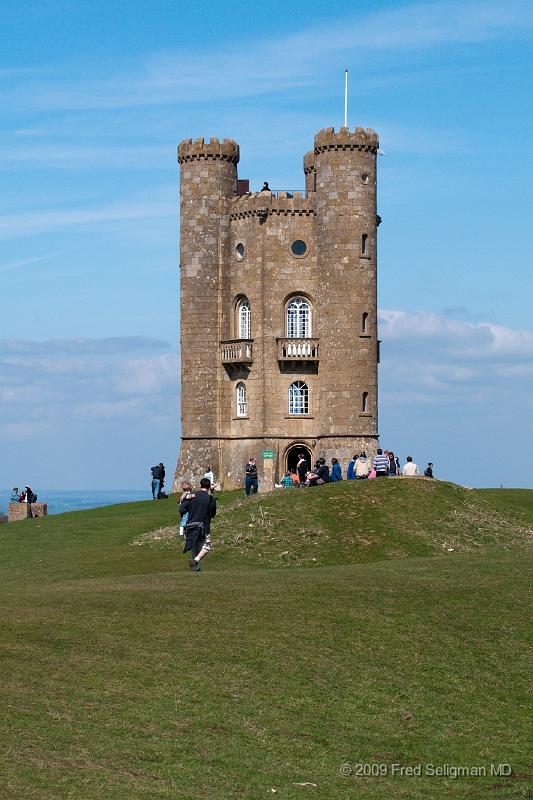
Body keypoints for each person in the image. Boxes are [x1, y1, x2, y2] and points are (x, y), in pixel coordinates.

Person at [180, 477, 217, 572]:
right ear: (209, 487)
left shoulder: (193, 495)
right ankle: (195, 560)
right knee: (206, 546)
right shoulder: (210, 498)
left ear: (200, 485)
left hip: (190, 524)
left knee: (195, 546)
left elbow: (182, 508)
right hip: (203, 526)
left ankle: (196, 568)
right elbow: (213, 514)